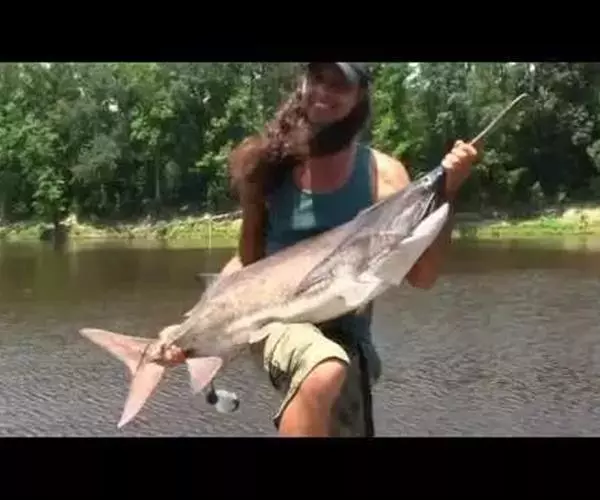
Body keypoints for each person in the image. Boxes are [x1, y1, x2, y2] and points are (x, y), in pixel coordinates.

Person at [219, 62, 479, 437]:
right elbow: (249, 260)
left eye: (338, 85)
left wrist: (448, 192)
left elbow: (422, 277)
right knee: (322, 368)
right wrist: (193, 324)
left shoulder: (385, 176)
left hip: (349, 338)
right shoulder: (266, 165)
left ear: (360, 96)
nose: (323, 92)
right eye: (317, 78)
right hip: (275, 321)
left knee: (335, 371)